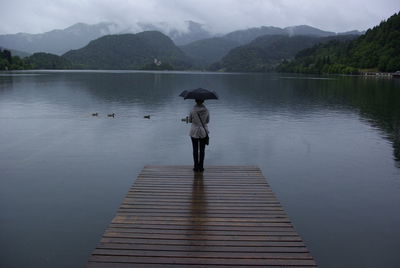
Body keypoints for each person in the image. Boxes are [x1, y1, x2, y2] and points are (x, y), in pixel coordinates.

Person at [189, 99, 209, 172]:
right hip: (203, 132)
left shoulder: (192, 110)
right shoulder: (206, 110)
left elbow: (190, 120)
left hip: (194, 131)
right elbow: (207, 121)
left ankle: (195, 167)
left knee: (195, 149)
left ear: (195, 101)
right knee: (202, 150)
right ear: (203, 101)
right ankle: (201, 167)